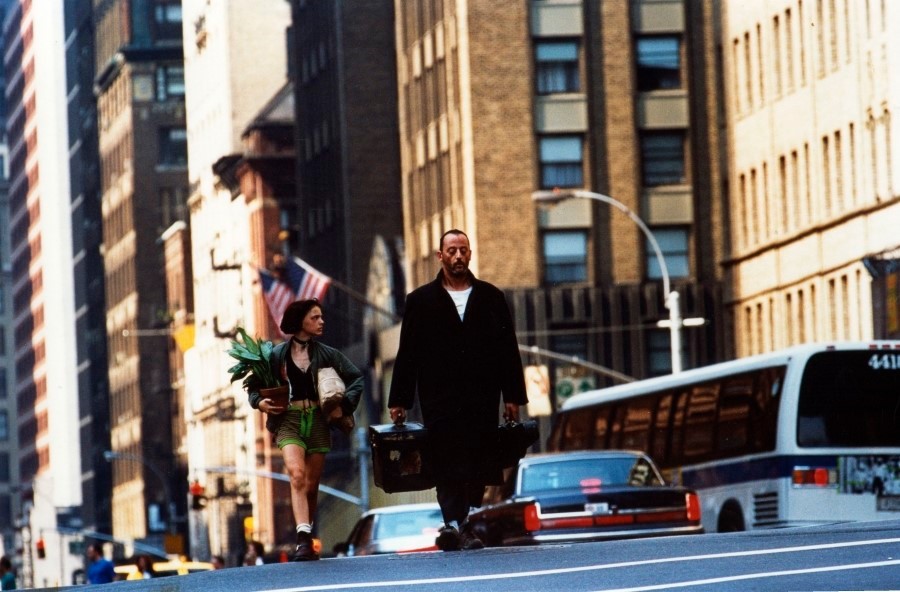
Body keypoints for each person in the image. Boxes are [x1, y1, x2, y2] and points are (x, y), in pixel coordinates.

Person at [388, 229, 527, 551]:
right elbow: (408, 352)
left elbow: (508, 349)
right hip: (439, 397)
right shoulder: (420, 300)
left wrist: (513, 396)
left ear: (470, 254)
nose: (458, 256)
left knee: (478, 458)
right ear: (441, 256)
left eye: (463, 250)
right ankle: (458, 524)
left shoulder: (491, 297)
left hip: (482, 395)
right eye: (452, 250)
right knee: (446, 458)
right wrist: (399, 400)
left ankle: (455, 524)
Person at [247, 298, 364, 561]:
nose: (321, 321)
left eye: (321, 317)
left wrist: (345, 405)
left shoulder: (328, 353)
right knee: (297, 475)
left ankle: (307, 538)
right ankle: (302, 539)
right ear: (300, 321)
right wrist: (259, 402)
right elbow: (253, 386)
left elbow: (356, 377)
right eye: (315, 317)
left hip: (319, 421)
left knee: (311, 486)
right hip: (288, 420)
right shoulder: (277, 355)